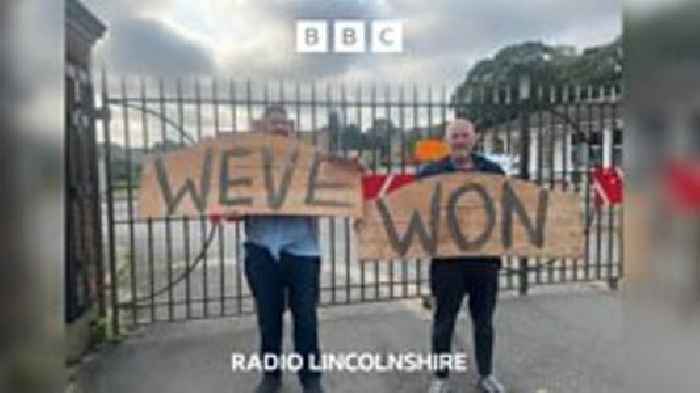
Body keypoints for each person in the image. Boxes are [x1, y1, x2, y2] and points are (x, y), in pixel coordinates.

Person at [226, 105, 325, 393]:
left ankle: (311, 378)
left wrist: (353, 171)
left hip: (303, 250)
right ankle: (271, 376)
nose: (280, 128)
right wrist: (233, 210)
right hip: (261, 249)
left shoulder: (309, 163)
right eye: (274, 124)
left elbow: (339, 187)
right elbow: (229, 208)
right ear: (263, 130)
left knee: (305, 318)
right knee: (268, 318)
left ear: (292, 130)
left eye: (285, 124)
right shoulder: (247, 166)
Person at [418, 119, 507, 393]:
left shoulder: (493, 171)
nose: (460, 140)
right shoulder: (431, 172)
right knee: (444, 320)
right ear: (447, 140)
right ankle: (441, 376)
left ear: (474, 138)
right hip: (447, 263)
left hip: (485, 261)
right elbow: (410, 208)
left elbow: (509, 208)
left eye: (464, 135)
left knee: (484, 321)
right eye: (454, 136)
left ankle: (486, 374)